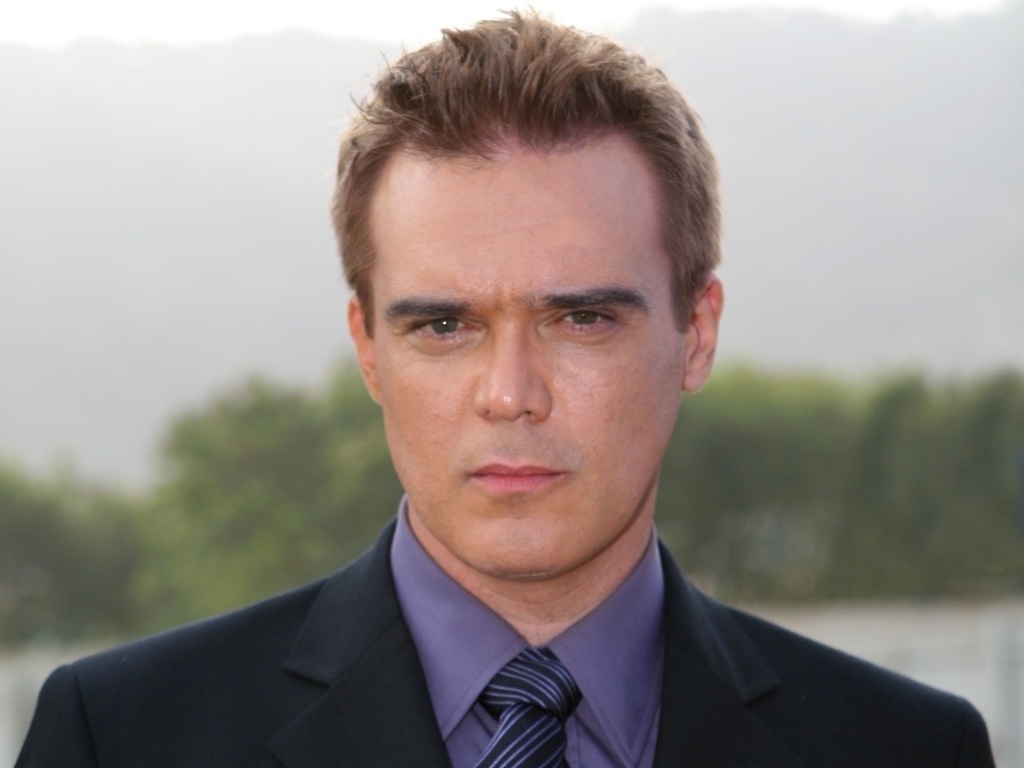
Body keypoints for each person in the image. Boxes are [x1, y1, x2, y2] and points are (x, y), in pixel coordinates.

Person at [17, 11, 995, 768]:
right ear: (368, 350)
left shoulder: (906, 749)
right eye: (444, 326)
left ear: (696, 334)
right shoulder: (122, 737)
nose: (510, 394)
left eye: (582, 319)